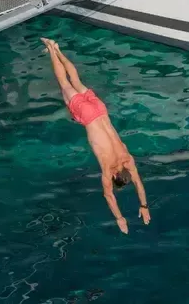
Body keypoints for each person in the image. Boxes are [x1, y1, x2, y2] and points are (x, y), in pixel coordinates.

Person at [42, 38, 150, 234]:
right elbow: (109, 196)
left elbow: (138, 183)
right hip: (87, 116)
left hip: (100, 110)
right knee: (64, 83)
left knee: (76, 80)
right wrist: (119, 218)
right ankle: (50, 48)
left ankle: (57, 49)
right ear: (116, 176)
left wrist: (144, 206)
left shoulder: (128, 160)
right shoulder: (108, 170)